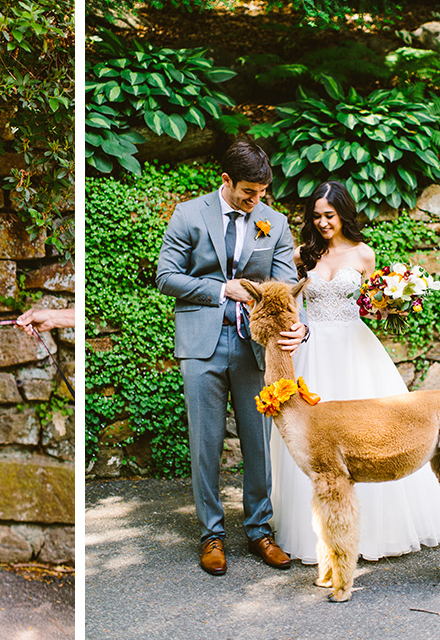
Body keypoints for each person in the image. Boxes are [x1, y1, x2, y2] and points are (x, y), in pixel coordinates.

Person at [271, 180, 440, 565]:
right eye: (317, 216)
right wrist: (301, 329)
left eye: (330, 215)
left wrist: (392, 305)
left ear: (343, 215)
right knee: (319, 446)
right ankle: (320, 538)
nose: (323, 223)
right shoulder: (301, 256)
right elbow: (294, 306)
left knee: (372, 439)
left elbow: (369, 304)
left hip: (355, 349)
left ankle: (376, 532)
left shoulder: (363, 254)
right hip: (313, 347)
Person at [156, 140, 307, 576]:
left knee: (259, 443)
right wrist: (222, 288)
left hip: (254, 347)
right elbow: (166, 277)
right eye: (247, 193)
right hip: (200, 344)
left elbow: (287, 285)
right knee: (205, 444)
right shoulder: (188, 214)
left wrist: (299, 325)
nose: (255, 201)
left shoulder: (274, 224)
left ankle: (260, 530)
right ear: (226, 180)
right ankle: (212, 536)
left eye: (261, 193)